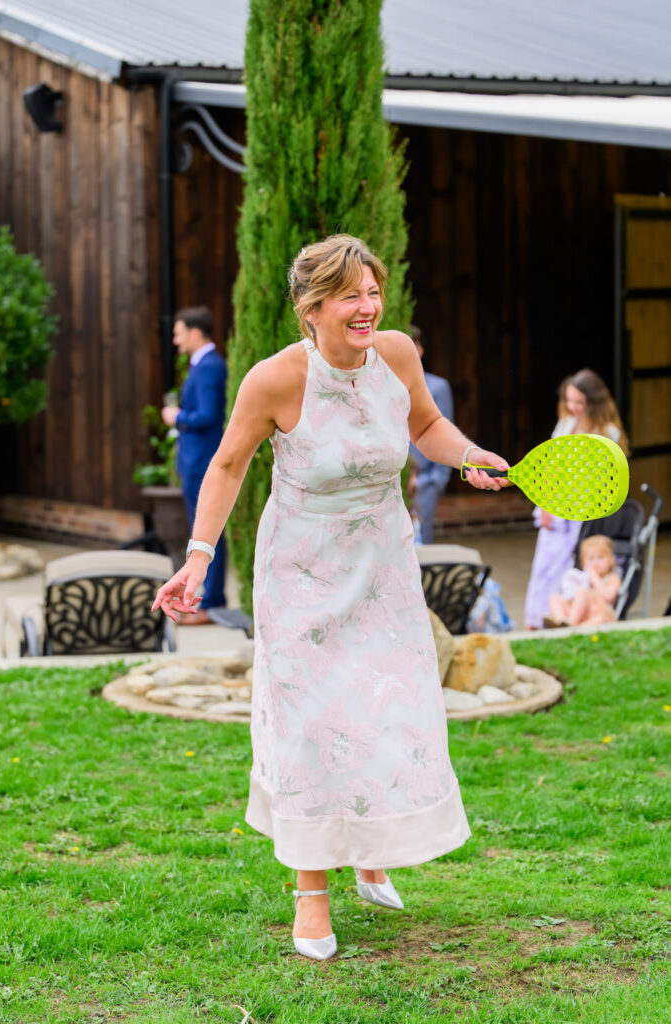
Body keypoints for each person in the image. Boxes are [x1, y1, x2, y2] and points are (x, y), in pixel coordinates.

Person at [152, 235, 509, 961]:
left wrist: (468, 454)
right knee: (312, 726)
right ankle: (310, 894)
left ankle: (370, 851)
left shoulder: (396, 355)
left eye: (373, 292)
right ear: (311, 308)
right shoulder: (275, 380)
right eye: (351, 296)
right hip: (302, 575)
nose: (368, 307)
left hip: (383, 567)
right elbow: (227, 466)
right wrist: (197, 557)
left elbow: (425, 426)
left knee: (385, 713)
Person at [523, 369, 629, 630]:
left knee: (567, 567)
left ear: (594, 402)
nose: (573, 407)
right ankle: (536, 621)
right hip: (554, 505)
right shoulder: (566, 423)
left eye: (579, 402)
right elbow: (550, 464)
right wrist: (545, 503)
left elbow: (601, 477)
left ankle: (567, 618)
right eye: (569, 401)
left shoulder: (608, 432)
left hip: (581, 511)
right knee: (543, 565)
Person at [161, 306, 227, 623]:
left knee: (206, 532)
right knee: (201, 531)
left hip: (203, 462)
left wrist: (177, 417)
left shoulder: (210, 366)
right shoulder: (202, 364)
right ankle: (207, 599)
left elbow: (208, 415)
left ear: (195, 332)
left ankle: (211, 603)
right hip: (194, 460)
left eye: (179, 333)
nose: (176, 341)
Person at [408, 325, 454, 543]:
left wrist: (436, 481)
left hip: (424, 481)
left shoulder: (438, 387)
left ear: (420, 350)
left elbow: (446, 433)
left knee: (420, 542)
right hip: (393, 479)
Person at [547, 535, 620, 627]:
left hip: (598, 613)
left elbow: (608, 597)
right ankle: (561, 620)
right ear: (583, 562)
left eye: (600, 558)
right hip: (580, 614)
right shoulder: (581, 577)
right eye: (591, 559)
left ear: (611, 560)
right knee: (554, 597)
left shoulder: (612, 578)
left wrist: (594, 578)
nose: (595, 563)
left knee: (583, 591)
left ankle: (571, 624)